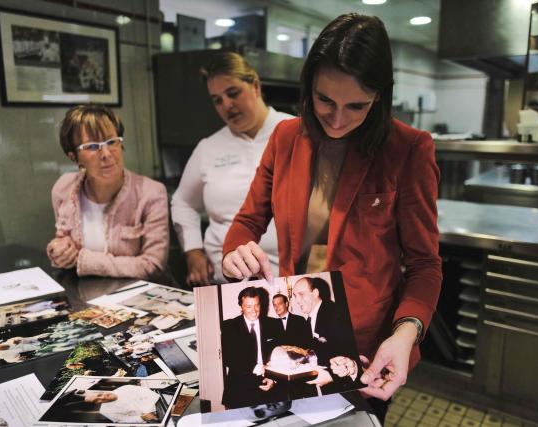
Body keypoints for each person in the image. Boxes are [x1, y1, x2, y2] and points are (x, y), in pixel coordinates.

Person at [221, 13, 442, 421]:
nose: (338, 119)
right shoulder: (286, 137)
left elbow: (425, 264)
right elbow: (248, 221)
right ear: (309, 89)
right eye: (325, 100)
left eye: (356, 105)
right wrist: (235, 250)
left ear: (379, 96)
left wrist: (406, 332)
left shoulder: (408, 149)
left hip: (366, 346)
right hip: (289, 328)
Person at [171, 52, 294, 286]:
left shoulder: (294, 132)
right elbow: (183, 202)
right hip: (226, 281)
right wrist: (193, 251)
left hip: (288, 280)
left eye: (233, 93)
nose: (227, 105)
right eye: (217, 100)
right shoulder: (209, 147)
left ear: (255, 86)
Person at [46, 104, 169, 280]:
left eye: (111, 142)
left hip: (136, 297)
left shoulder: (151, 193)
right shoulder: (64, 188)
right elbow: (62, 238)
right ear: (73, 157)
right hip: (85, 296)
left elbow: (153, 266)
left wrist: (85, 260)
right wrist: (59, 249)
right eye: (92, 146)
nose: (106, 154)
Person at [220, 286, 283, 409]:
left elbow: (281, 353)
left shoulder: (274, 324)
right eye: (248, 306)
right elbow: (229, 358)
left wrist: (273, 378)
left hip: (269, 387)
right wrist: (259, 368)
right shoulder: (230, 326)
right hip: (240, 390)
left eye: (257, 305)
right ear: (241, 306)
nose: (254, 310)